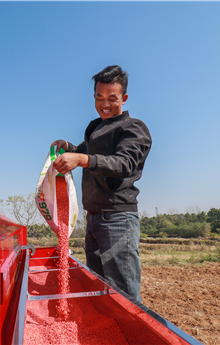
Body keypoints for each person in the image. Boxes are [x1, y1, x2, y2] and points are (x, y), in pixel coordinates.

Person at [51, 65, 151, 303]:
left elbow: (124, 163)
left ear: (124, 98)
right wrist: (69, 147)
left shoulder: (133, 128)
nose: (104, 104)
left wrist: (82, 159)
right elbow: (86, 151)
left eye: (112, 98)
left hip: (117, 218)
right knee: (97, 285)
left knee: (122, 292)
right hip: (93, 217)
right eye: (99, 97)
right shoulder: (95, 127)